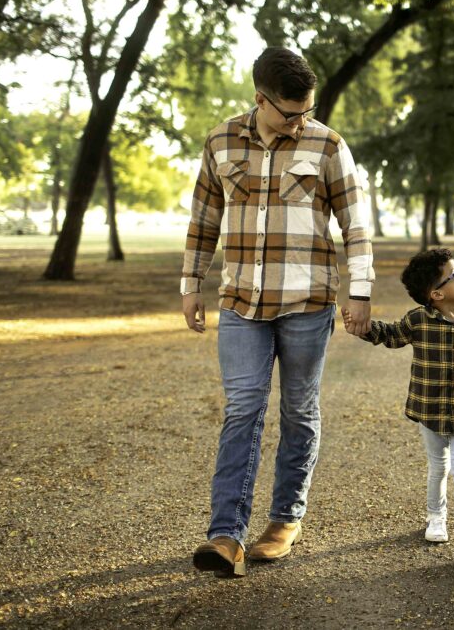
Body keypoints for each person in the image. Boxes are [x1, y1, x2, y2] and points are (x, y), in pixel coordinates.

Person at [182, 47, 375, 578]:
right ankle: (225, 535)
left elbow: (355, 226)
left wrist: (359, 291)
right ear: (260, 99)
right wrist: (190, 284)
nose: (300, 121)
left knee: (298, 409)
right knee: (243, 408)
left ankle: (285, 518)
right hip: (241, 301)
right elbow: (204, 220)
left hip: (307, 303)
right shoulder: (221, 141)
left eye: (307, 111)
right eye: (291, 113)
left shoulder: (328, 144)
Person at [342, 249, 454, 557]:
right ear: (436, 294)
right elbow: (391, 335)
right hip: (430, 410)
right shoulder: (417, 320)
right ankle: (436, 516)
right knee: (439, 467)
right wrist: (364, 328)